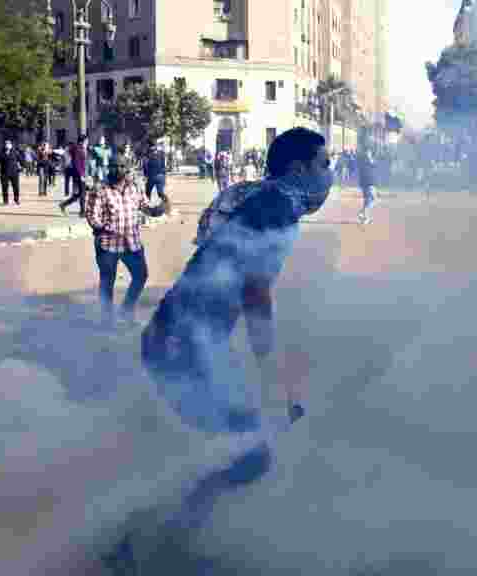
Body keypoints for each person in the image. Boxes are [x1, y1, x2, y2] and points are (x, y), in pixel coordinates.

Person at [135, 128, 332, 543]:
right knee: (247, 451)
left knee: (233, 443)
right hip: (180, 347)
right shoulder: (278, 206)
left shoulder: (252, 195)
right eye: (323, 164)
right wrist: (274, 381)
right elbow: (255, 290)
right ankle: (148, 537)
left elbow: (215, 253)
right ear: (298, 168)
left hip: (180, 341)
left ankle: (169, 529)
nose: (329, 174)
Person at [85, 157, 169, 330]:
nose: (117, 170)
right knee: (107, 281)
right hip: (108, 244)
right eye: (114, 166)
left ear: (127, 168)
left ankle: (126, 311)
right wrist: (102, 228)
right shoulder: (100, 189)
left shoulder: (135, 187)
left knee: (141, 275)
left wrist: (158, 209)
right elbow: (92, 215)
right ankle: (106, 319)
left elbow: (145, 207)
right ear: (109, 168)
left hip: (131, 242)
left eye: (121, 166)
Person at [59, 135, 88, 216]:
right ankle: (82, 212)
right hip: (78, 174)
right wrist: (81, 175)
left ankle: (63, 205)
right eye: (86, 141)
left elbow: (82, 163)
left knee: (78, 195)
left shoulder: (80, 149)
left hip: (79, 174)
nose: (87, 143)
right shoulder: (78, 149)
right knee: (82, 193)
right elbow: (77, 163)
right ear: (82, 141)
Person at [0, 139, 23, 206]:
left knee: (16, 187)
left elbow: (21, 160)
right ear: (4, 145)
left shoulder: (15, 152)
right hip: (4, 173)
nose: (7, 145)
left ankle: (16, 200)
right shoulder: (0, 153)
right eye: (6, 144)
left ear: (11, 145)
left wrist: (22, 167)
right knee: (4, 187)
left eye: (9, 144)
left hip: (14, 172)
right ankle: (5, 201)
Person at [357, 148, 377, 224]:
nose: (369, 153)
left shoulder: (364, 161)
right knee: (371, 199)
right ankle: (364, 216)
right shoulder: (366, 161)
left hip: (366, 183)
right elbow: (373, 165)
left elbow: (374, 165)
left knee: (368, 200)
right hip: (368, 183)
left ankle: (363, 214)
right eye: (368, 152)